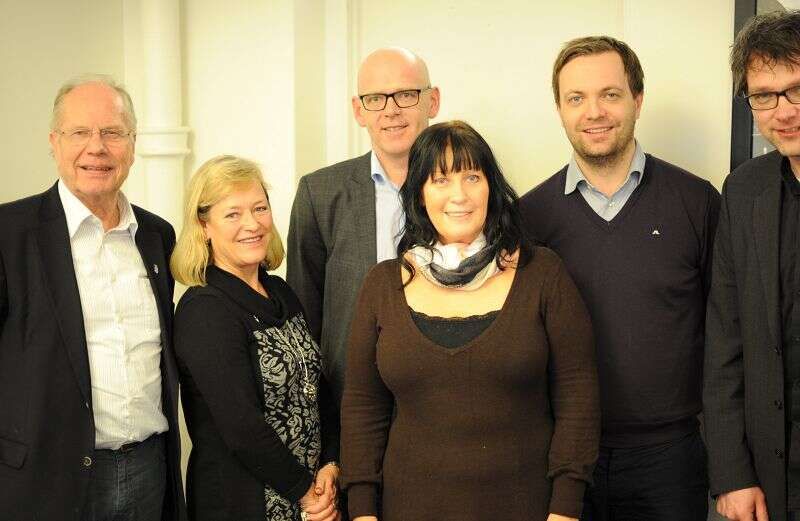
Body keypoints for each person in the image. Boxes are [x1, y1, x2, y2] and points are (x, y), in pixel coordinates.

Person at [340, 120, 600, 521]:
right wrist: (361, 511)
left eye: (472, 177)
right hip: (407, 509)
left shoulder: (542, 273)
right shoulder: (382, 285)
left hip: (527, 508)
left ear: (491, 188)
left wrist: (565, 509)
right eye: (440, 180)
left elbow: (578, 395)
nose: (458, 195)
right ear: (419, 193)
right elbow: (362, 408)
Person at [519, 36, 720, 520]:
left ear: (638, 100)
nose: (594, 112)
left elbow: (729, 333)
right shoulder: (528, 217)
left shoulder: (697, 202)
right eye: (576, 98)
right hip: (562, 457)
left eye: (610, 94)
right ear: (559, 110)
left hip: (670, 458)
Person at [0, 76, 186, 520]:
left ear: (133, 144)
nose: (96, 148)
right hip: (46, 479)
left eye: (113, 132)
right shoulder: (9, 234)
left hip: (150, 471)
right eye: (80, 132)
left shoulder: (157, 235)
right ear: (54, 142)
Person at [171, 155, 341, 521]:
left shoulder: (280, 290)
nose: (252, 224)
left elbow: (318, 387)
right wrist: (307, 493)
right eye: (233, 214)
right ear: (204, 225)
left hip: (310, 499)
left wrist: (330, 463)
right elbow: (242, 427)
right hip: (243, 504)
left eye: (259, 208)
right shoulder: (204, 309)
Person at [287, 47, 441, 404]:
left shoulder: (466, 192)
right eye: (375, 98)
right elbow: (304, 316)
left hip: (441, 399)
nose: (391, 110)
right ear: (359, 111)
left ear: (432, 101)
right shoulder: (319, 193)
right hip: (351, 400)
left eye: (406, 94)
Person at [705, 11, 800, 521]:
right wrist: (731, 473)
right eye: (764, 95)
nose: (782, 111)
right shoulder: (743, 190)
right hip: (771, 476)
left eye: (797, 89)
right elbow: (726, 338)